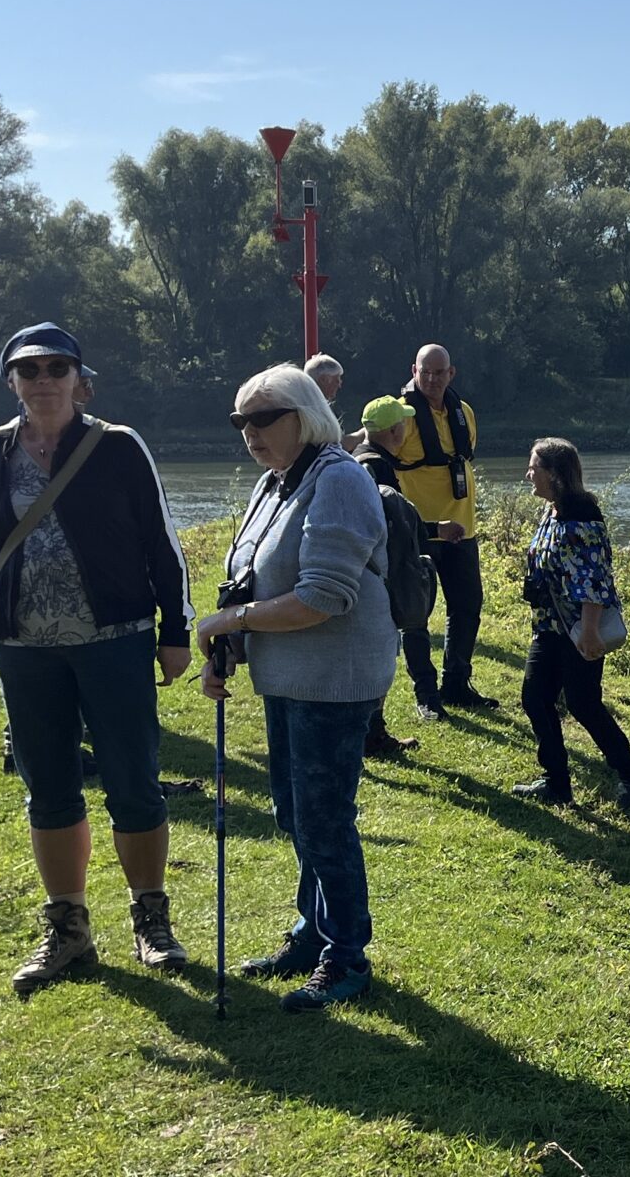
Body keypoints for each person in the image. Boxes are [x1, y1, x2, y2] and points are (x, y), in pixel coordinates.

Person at [0, 322, 194, 996]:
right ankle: (68, 929)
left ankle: (151, 919)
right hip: (24, 649)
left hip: (116, 640)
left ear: (79, 376)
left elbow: (160, 542)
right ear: (11, 381)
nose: (43, 379)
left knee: (134, 783)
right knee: (48, 791)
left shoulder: (119, 448)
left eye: (56, 367)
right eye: (29, 370)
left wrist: (175, 628)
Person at [196, 364, 397, 1012]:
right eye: (239, 421)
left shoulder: (339, 480)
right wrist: (227, 648)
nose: (248, 432)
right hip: (287, 677)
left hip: (335, 682)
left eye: (263, 418)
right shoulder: (276, 482)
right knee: (296, 814)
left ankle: (346, 957)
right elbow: (249, 579)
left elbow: (323, 597)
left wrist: (233, 622)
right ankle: (311, 934)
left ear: (304, 415)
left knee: (323, 820)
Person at [512, 438, 630, 812]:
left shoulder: (583, 517)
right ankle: (557, 784)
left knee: (583, 704)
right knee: (535, 698)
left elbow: (595, 580)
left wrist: (590, 632)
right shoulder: (553, 511)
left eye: (534, 468)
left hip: (578, 630)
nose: (528, 474)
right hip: (549, 626)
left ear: (555, 474)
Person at [387, 344, 492, 718]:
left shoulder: (464, 413)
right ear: (413, 370)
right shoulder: (400, 415)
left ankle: (457, 684)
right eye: (424, 372)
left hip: (462, 530)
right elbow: (371, 447)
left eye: (438, 373)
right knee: (416, 615)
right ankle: (426, 696)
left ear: (452, 374)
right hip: (420, 534)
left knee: (467, 608)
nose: (431, 380)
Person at [349, 394, 434, 758]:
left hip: (364, 574)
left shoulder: (356, 461)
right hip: (379, 578)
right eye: (405, 423)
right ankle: (372, 735)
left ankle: (367, 731)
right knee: (381, 657)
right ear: (395, 430)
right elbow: (390, 529)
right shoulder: (377, 467)